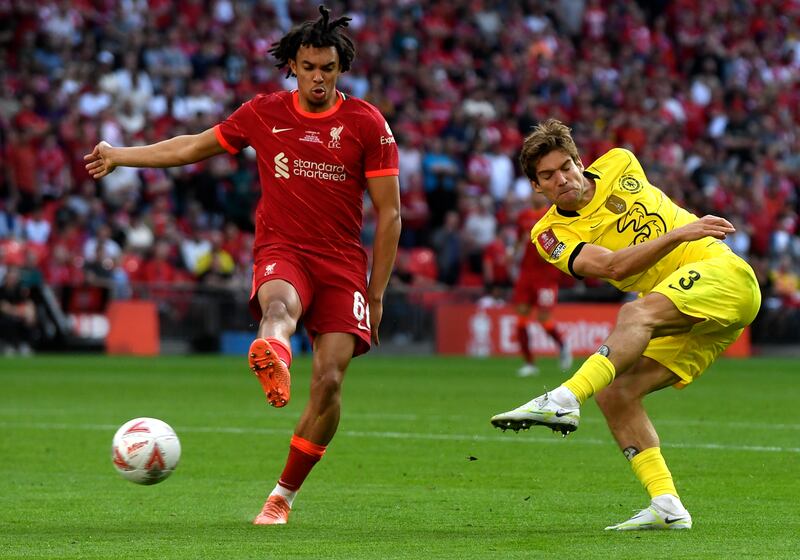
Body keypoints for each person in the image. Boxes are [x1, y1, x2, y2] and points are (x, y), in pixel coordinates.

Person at [84, 6, 401, 526]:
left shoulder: (367, 123)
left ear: (341, 67)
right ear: (292, 67)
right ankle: (272, 351)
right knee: (279, 303)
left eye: (327, 67)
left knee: (330, 383)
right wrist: (122, 154)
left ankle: (282, 496)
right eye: (308, 66)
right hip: (283, 247)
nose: (318, 77)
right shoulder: (263, 112)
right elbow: (191, 147)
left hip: (343, 263)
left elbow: (390, 214)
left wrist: (378, 292)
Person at [490, 119, 760, 531]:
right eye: (547, 176)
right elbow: (613, 265)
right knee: (616, 394)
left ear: (580, 162)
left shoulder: (621, 162)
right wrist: (678, 234)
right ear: (536, 187)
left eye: (566, 167)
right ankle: (667, 504)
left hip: (721, 271)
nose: (561, 179)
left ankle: (563, 399)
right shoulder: (549, 234)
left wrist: (687, 237)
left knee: (636, 313)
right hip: (691, 311)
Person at [512, 192, 572, 376]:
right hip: (526, 273)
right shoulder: (523, 216)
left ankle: (562, 345)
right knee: (521, 317)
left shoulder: (553, 215)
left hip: (546, 275)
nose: (537, 196)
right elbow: (519, 240)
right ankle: (529, 363)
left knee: (543, 318)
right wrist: (513, 254)